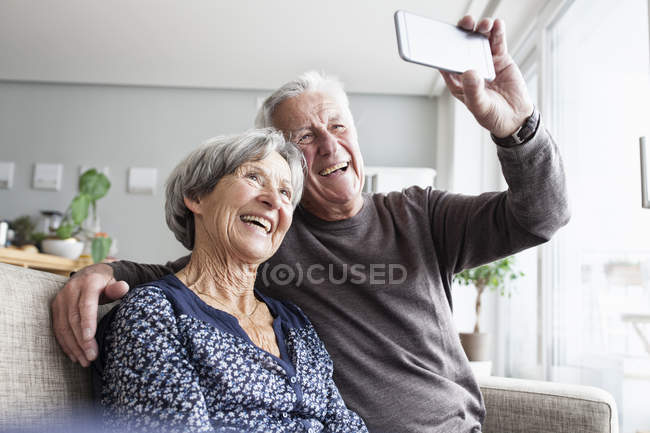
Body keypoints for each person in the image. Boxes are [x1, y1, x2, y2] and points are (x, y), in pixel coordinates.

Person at [52, 16, 570, 433]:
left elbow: (543, 216)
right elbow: (195, 279)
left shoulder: (422, 213)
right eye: (304, 137)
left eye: (339, 126)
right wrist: (103, 271)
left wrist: (516, 125)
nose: (329, 145)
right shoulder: (272, 233)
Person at [92, 129, 368, 432]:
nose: (273, 200)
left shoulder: (294, 323)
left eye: (285, 193)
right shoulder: (155, 313)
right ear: (196, 196)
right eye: (253, 178)